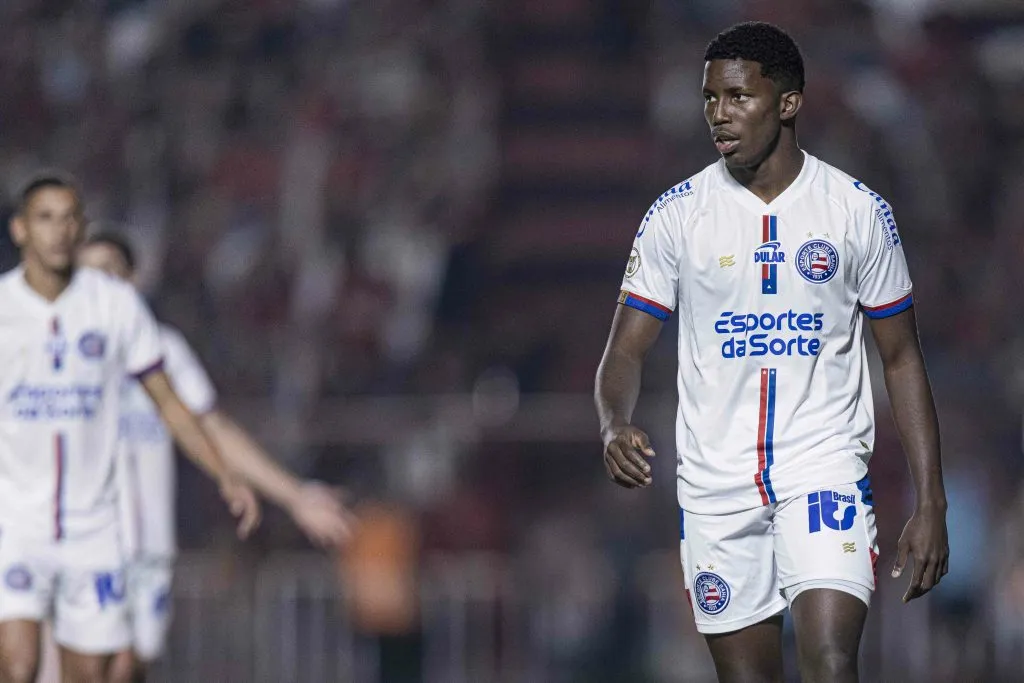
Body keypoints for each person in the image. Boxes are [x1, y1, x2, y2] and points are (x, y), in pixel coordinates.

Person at [594, 22, 948, 683]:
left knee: (832, 661)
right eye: (708, 100)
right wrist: (614, 422)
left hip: (823, 469)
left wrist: (932, 501)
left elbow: (901, 356)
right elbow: (624, 350)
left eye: (737, 98)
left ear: (788, 103)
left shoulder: (857, 211)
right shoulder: (676, 216)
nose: (718, 116)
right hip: (714, 487)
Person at [0, 173, 261, 683]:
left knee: (94, 675)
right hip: (14, 523)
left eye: (69, 218)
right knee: (18, 664)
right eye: (45, 219)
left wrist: (224, 473)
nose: (58, 231)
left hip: (94, 527)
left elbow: (167, 400)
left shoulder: (114, 307)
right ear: (20, 230)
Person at [69, 232, 356, 682]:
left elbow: (214, 429)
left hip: (147, 551)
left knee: (128, 667)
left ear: (132, 281)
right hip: (74, 545)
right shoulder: (45, 355)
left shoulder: (163, 350)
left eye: (108, 271)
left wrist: (295, 495)